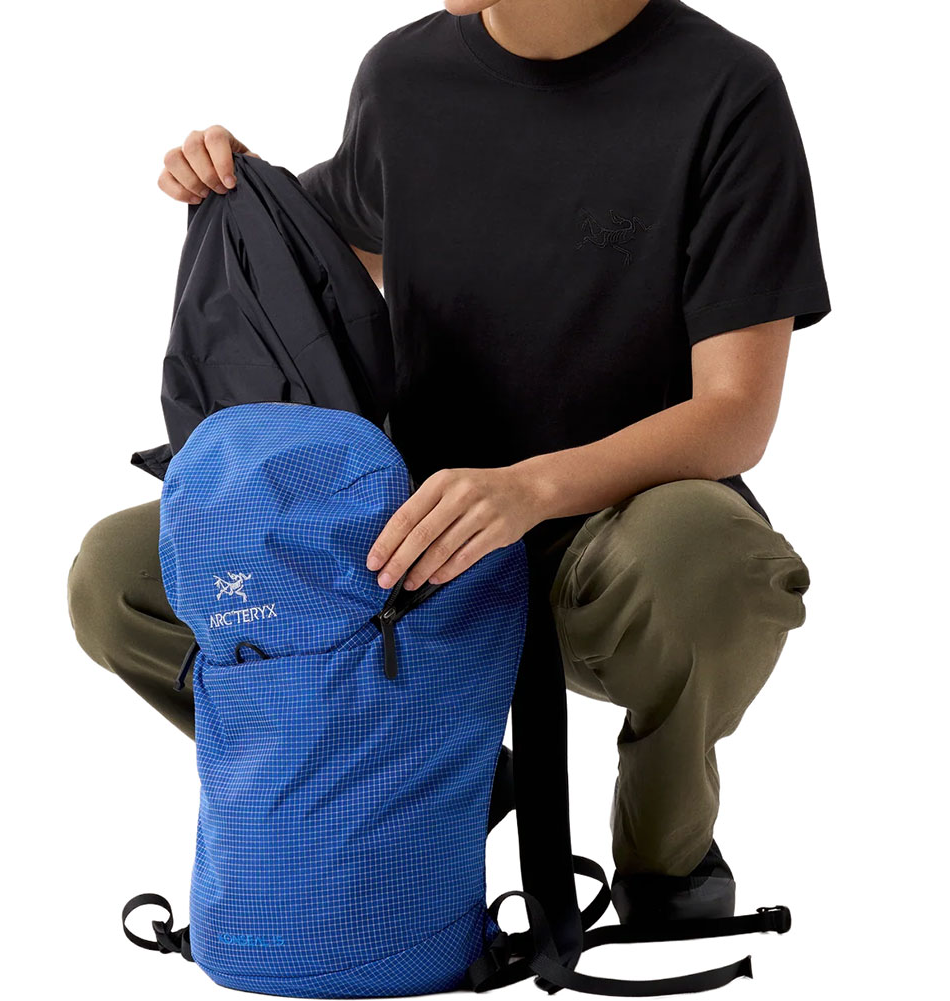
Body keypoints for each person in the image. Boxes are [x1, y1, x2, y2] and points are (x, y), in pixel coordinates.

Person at [69, 0, 827, 923]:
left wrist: (529, 487)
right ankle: (418, 762)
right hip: (411, 542)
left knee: (710, 557)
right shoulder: (403, 76)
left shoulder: (724, 89)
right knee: (119, 576)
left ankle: (665, 854)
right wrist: (235, 182)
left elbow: (735, 413)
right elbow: (327, 258)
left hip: (612, 544)